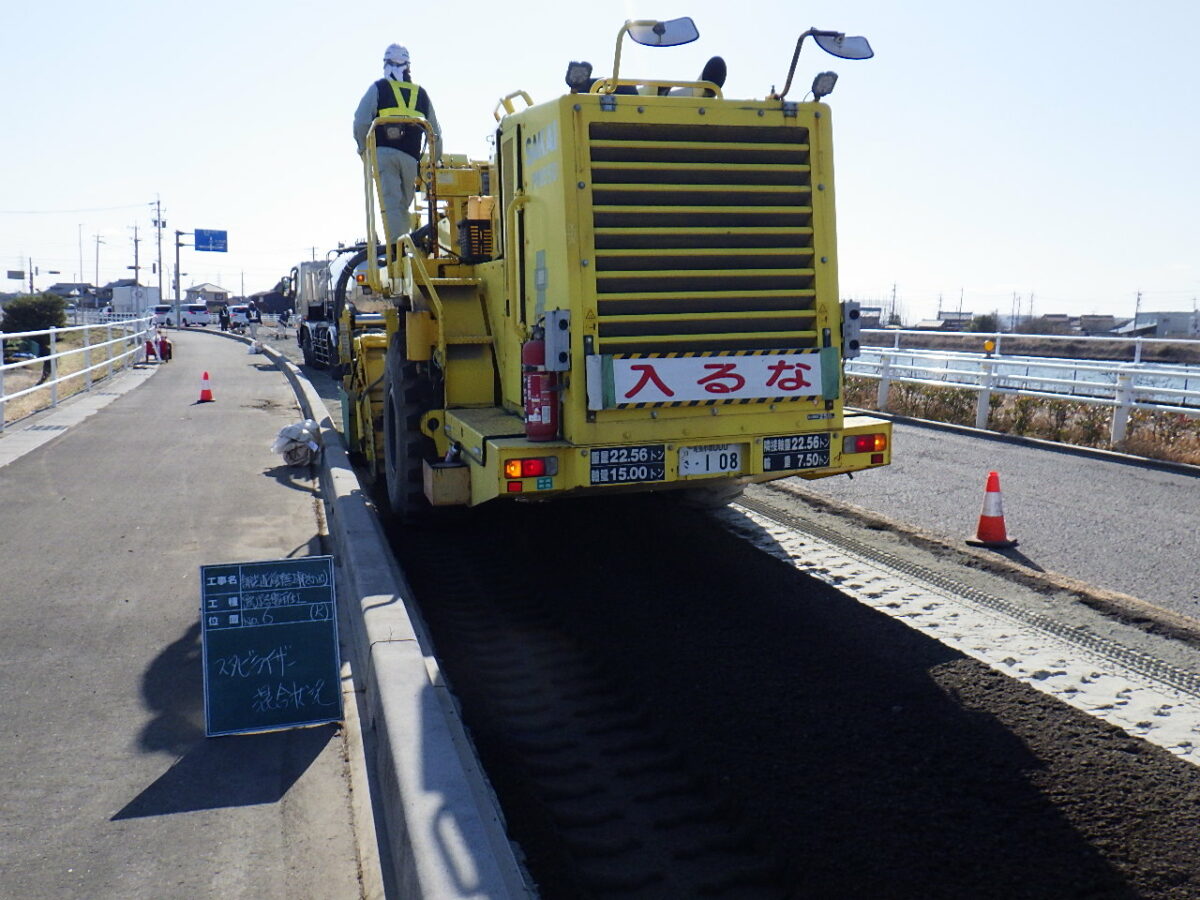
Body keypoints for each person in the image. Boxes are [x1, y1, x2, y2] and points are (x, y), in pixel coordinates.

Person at [353, 44, 442, 245]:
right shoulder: (421, 94)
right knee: (403, 206)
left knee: (392, 203)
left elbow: (360, 121)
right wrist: (433, 163)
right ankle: (406, 245)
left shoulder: (378, 88)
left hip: (384, 154)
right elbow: (435, 133)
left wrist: (364, 149)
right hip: (411, 158)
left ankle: (398, 251)